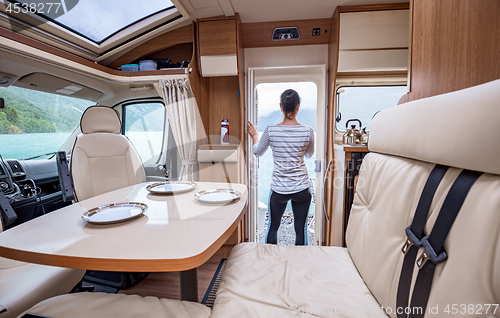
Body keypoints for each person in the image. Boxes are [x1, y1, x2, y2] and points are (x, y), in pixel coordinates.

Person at [247, 89, 315, 245]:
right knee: (301, 228)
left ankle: (271, 262)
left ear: (280, 107)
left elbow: (257, 152)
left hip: (279, 189)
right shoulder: (308, 131)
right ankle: (300, 263)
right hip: (302, 188)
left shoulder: (271, 130)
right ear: (298, 106)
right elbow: (309, 155)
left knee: (273, 226)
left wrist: (255, 136)